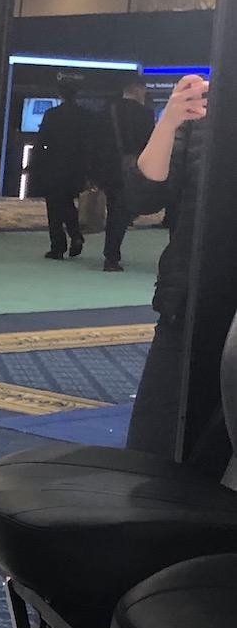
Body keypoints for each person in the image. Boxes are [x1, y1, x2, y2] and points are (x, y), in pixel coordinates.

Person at [123, 73, 208, 456]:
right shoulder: (203, 115)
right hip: (190, 299)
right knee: (153, 445)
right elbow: (142, 197)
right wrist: (169, 121)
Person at [28, 85, 103, 260]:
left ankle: (58, 246)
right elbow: (91, 143)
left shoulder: (52, 114)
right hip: (76, 166)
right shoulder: (86, 116)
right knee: (66, 201)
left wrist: (34, 163)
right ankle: (75, 235)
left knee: (54, 205)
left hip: (53, 165)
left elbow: (42, 140)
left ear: (60, 95)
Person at [100, 79, 159, 274]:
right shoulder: (145, 114)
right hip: (134, 169)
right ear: (137, 89)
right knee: (123, 211)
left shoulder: (107, 111)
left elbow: (96, 143)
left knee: (114, 209)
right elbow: (149, 144)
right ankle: (111, 255)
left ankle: (111, 254)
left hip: (110, 169)